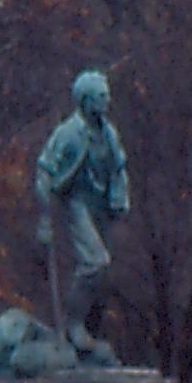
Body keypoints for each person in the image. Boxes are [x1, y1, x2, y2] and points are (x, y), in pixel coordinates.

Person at [35, 69, 129, 364]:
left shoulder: (108, 132)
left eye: (107, 95)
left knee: (103, 275)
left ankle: (88, 335)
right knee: (95, 262)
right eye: (101, 96)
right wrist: (44, 216)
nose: (107, 100)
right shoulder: (68, 133)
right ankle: (72, 324)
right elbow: (44, 173)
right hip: (75, 203)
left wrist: (120, 195)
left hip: (101, 206)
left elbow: (118, 167)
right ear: (85, 100)